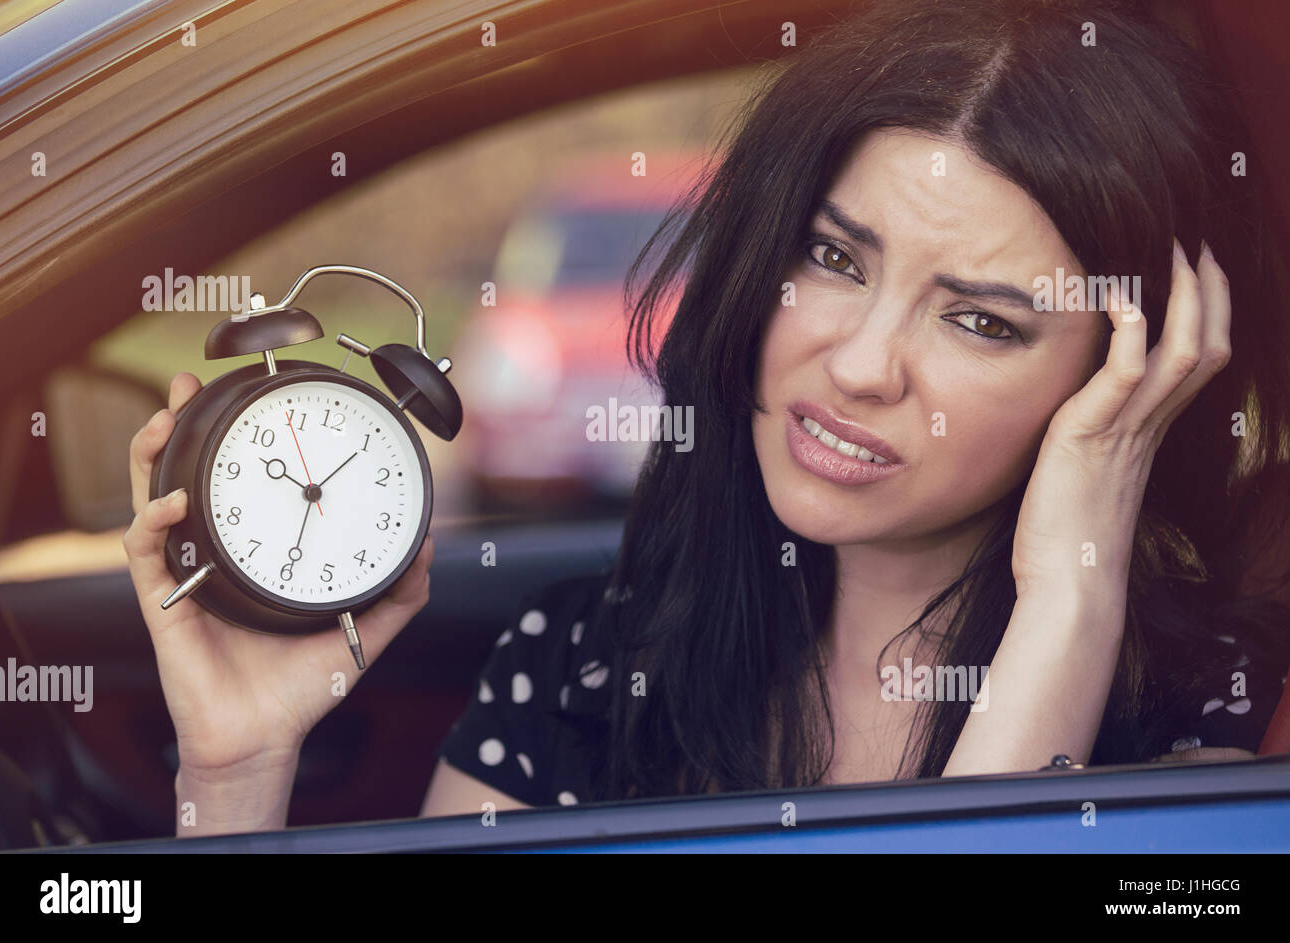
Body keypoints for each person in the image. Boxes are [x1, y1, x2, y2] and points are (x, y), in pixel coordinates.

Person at [124, 0, 1290, 833]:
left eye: (980, 321)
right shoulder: (585, 665)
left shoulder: (1205, 714)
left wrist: (1069, 601)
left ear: (1124, 379)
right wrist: (236, 770)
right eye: (832, 258)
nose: (863, 366)